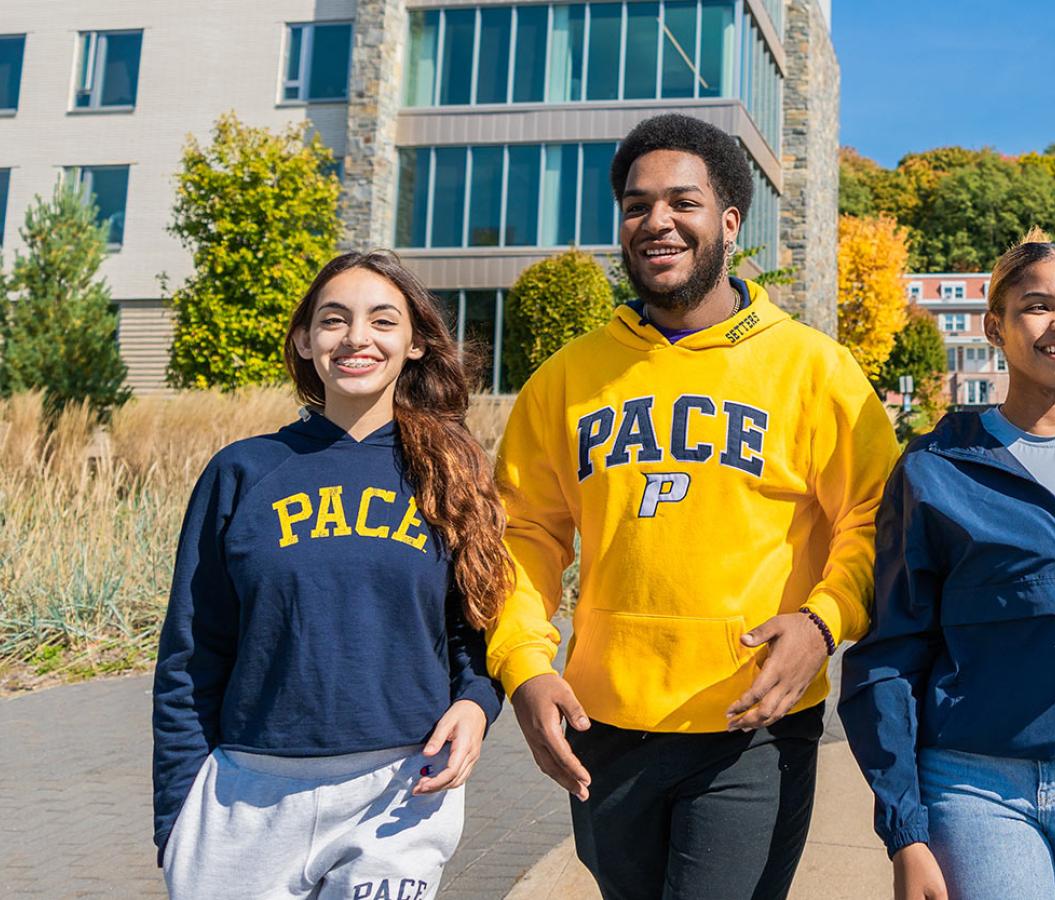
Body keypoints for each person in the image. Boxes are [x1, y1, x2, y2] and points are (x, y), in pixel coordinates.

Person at [487, 113, 899, 900]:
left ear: (730, 221)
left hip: (753, 725)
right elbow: (522, 537)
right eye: (637, 206)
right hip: (601, 726)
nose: (657, 222)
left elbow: (874, 521)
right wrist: (523, 665)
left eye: (683, 202)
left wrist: (823, 623)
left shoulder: (816, 370)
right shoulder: (567, 377)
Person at [839, 229, 1055, 900]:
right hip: (973, 789)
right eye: (1038, 306)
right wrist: (905, 831)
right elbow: (889, 654)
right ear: (994, 328)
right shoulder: (934, 469)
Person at [151, 251, 507, 898]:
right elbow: (191, 656)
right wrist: (177, 820)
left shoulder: (451, 474)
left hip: (399, 792)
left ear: (417, 343)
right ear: (305, 341)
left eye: (382, 320)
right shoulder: (243, 472)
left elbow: (475, 631)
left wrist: (477, 705)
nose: (356, 338)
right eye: (334, 320)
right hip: (248, 796)